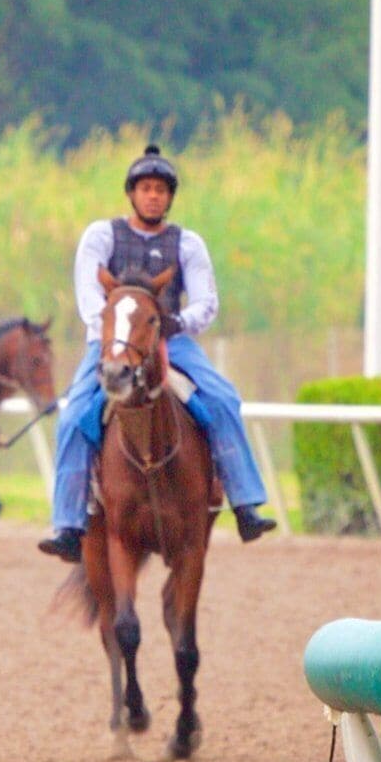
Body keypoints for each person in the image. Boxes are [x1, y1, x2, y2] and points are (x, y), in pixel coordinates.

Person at [38, 144, 274, 561]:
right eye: (146, 188)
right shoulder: (101, 236)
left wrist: (174, 324)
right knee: (73, 416)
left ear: (170, 197)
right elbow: (89, 295)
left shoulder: (188, 244)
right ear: (132, 193)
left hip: (169, 340)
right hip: (112, 340)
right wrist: (116, 337)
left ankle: (245, 503)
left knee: (223, 397)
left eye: (161, 190)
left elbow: (206, 302)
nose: (153, 196)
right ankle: (69, 523)